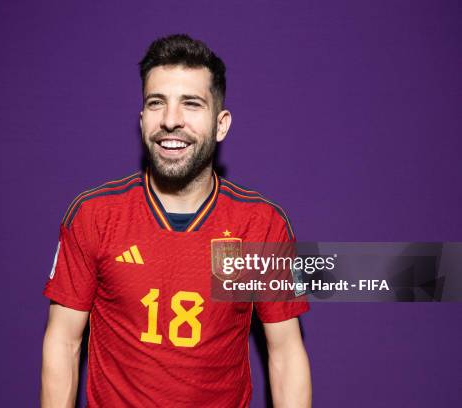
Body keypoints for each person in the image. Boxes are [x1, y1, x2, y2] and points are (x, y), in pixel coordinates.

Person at [41, 34, 311, 408]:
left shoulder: (260, 225)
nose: (170, 121)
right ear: (141, 120)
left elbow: (285, 353)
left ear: (221, 124)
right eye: (156, 103)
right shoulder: (94, 215)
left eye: (191, 104)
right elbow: (64, 341)